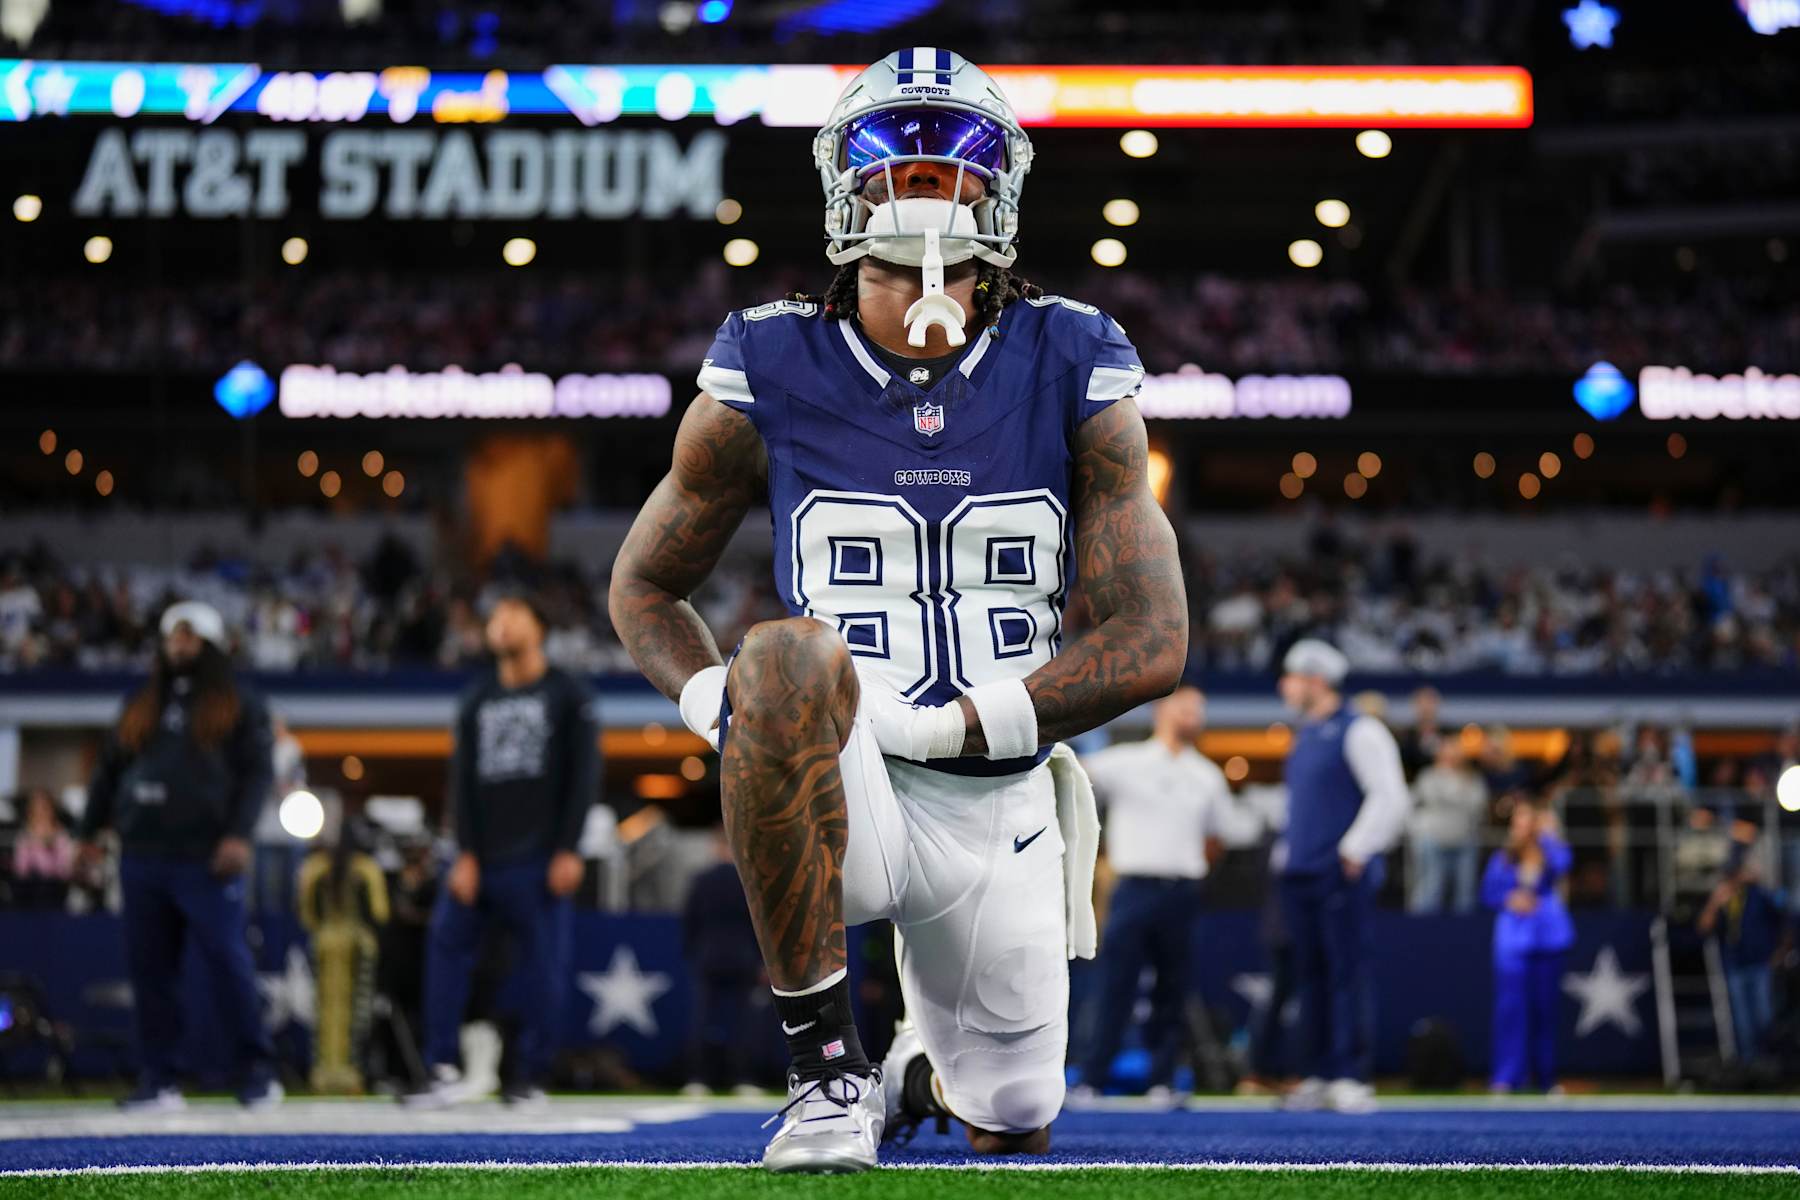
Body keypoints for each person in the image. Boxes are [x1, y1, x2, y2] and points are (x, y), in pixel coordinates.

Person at [609, 46, 1187, 1174]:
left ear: (1003, 185)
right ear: (842, 181)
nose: (926, 178)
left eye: (958, 156)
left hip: (999, 796)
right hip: (846, 784)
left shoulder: (1073, 353)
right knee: (777, 662)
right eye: (894, 152)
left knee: (1012, 1125)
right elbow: (644, 584)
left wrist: (946, 725)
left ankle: (916, 1070)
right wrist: (712, 706)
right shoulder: (770, 356)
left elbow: (1154, 640)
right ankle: (825, 1077)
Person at [75, 600, 280, 1112]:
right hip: (143, 854)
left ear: (209, 645)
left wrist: (239, 834)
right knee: (150, 971)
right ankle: (159, 1077)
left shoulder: (239, 704)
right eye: (172, 636)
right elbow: (107, 773)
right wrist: (85, 834)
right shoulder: (140, 704)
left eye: (189, 636)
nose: (178, 645)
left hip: (206, 857)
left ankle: (257, 1070)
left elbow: (257, 774)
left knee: (227, 962)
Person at [409, 592, 600, 1108]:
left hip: (540, 857)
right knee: (446, 946)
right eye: (494, 618)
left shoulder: (568, 694)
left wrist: (568, 848)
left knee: (544, 966)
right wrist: (464, 851)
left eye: (514, 614)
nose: (502, 625)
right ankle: (442, 1065)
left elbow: (583, 778)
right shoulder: (477, 698)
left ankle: (531, 1075)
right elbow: (461, 782)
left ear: (539, 627)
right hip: (481, 858)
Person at [1071, 685, 1226, 1104]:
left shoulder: (1208, 775)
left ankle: (1162, 1080)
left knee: (1173, 989)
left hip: (1182, 890)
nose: (1195, 713)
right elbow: (1071, 771)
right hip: (1134, 889)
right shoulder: (1127, 762)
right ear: (1163, 709)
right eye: (1187, 705)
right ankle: (1091, 1079)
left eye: (1200, 708)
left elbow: (1216, 838)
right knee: (1113, 986)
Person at [1274, 639, 1408, 1115]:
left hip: (1338, 873)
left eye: (1290, 678)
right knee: (1311, 979)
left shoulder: (1360, 729)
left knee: (1345, 974)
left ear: (1314, 680)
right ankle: (1319, 1073)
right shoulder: (1306, 734)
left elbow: (1391, 796)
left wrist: (1355, 848)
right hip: (1301, 874)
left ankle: (1350, 1075)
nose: (1283, 687)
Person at [1481, 797, 1573, 1093]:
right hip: (1514, 939)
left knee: (1545, 1009)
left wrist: (1546, 834)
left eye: (1527, 821)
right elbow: (1488, 892)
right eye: (1517, 822)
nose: (1522, 827)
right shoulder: (1502, 858)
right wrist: (1509, 899)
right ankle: (1507, 1077)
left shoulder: (1549, 851)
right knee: (1511, 1010)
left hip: (1547, 936)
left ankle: (1545, 1078)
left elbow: (1564, 862)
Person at [680, 830, 766, 1097]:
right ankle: (742, 1078)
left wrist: (693, 953)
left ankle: (699, 1078)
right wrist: (763, 961)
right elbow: (761, 925)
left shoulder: (702, 880)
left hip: (709, 957)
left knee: (704, 1019)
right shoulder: (750, 880)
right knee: (742, 1021)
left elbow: (688, 923)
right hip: (743, 958)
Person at [1698, 843, 1788, 1060]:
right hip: (1735, 963)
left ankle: (1770, 1064)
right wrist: (1714, 902)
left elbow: (1784, 919)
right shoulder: (1724, 900)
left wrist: (1780, 952)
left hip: (1760, 962)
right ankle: (1750, 1066)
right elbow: (1703, 927)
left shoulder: (1759, 894)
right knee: (1742, 1019)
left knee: (1764, 1016)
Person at [1407, 740, 1490, 914]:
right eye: (1447, 753)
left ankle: (1464, 938)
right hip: (1432, 840)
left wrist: (1452, 794)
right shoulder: (1428, 776)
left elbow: (1478, 802)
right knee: (1430, 890)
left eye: (1455, 753)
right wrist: (1457, 793)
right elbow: (1432, 796)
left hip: (1464, 840)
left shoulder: (1472, 778)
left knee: (1465, 896)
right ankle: (1420, 934)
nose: (1451, 757)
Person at [11, 788, 76, 910]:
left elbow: (65, 871)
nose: (41, 813)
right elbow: (20, 870)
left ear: (52, 811)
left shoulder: (61, 836)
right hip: (29, 892)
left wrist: (49, 847)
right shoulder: (24, 837)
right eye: (36, 809)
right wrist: (32, 843)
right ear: (30, 812)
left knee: (47, 888)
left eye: (44, 808)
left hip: (54, 890)